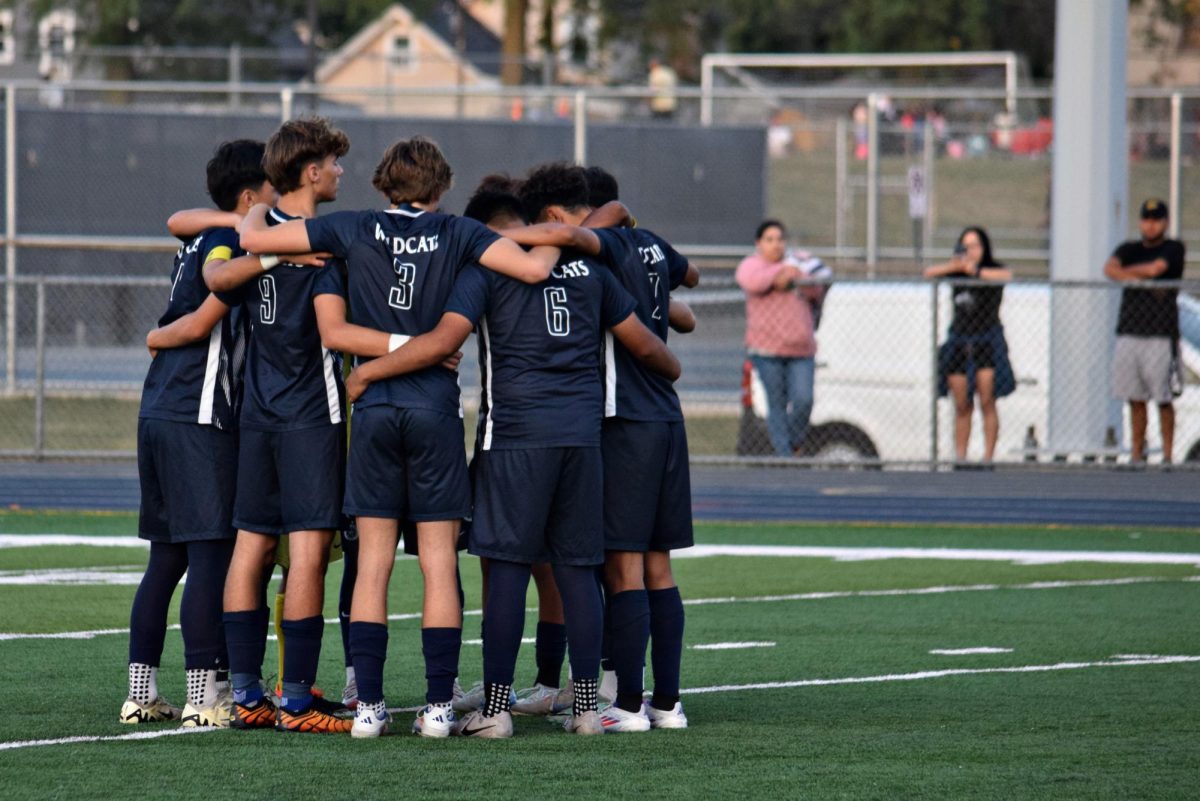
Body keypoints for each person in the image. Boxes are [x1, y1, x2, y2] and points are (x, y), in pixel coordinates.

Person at [238, 136, 562, 739]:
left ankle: (369, 708)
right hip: (434, 411)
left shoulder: (352, 228)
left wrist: (257, 207)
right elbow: (536, 267)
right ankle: (440, 708)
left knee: (373, 567)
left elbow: (254, 240)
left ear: (383, 183)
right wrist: (578, 233)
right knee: (439, 563)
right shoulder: (461, 237)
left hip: (376, 413)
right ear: (440, 190)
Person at [342, 166, 681, 739]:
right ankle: (582, 710)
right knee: (577, 571)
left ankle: (495, 710)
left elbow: (444, 341)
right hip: (581, 439)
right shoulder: (590, 271)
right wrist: (672, 369)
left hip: (513, 440)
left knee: (506, 573)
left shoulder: (485, 273)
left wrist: (367, 372)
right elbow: (648, 336)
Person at [503, 164, 698, 731]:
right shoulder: (649, 245)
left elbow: (572, 237)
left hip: (624, 422)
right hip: (666, 418)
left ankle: (628, 705)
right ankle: (666, 702)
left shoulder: (599, 247)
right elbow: (691, 289)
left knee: (624, 568)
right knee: (659, 567)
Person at [122, 140, 273, 728]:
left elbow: (177, 219)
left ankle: (140, 693)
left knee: (166, 560)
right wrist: (163, 335)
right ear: (248, 195)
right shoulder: (232, 241)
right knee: (210, 554)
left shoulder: (200, 233)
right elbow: (207, 315)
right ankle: (203, 697)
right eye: (269, 191)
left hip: (158, 408)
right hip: (197, 413)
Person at [1104, 198, 1186, 463]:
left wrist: (1130, 274)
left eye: (1156, 220)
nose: (1150, 226)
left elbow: (1157, 268)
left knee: (1162, 395)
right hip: (1130, 330)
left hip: (1160, 333)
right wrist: (1140, 277)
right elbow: (1109, 269)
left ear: (1165, 222)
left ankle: (1167, 453)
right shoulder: (1129, 248)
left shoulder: (1173, 248)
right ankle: (1137, 452)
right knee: (1134, 396)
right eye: (1147, 219)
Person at [735, 220, 827, 457]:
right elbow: (753, 281)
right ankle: (785, 456)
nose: (776, 245)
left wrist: (796, 276)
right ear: (759, 244)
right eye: (770, 240)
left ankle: (795, 441)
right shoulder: (752, 265)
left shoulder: (798, 264)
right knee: (776, 403)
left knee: (803, 399)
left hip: (801, 349)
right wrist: (781, 273)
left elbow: (817, 288)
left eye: (780, 239)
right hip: (767, 350)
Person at [923, 226, 1014, 463]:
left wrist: (976, 271)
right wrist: (955, 266)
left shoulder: (992, 269)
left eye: (975, 246)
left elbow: (1006, 276)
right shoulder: (957, 273)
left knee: (987, 400)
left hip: (986, 339)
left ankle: (987, 457)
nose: (970, 251)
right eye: (966, 246)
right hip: (960, 339)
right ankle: (961, 456)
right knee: (962, 404)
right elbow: (929, 273)